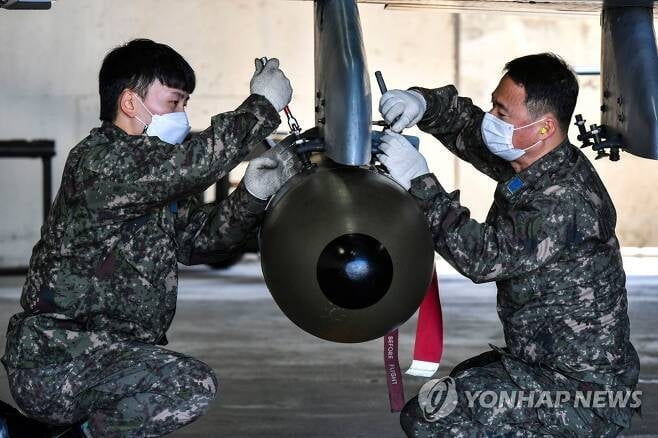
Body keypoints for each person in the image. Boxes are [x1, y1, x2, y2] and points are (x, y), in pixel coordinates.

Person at [1, 38, 299, 437]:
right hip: (59, 358)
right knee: (188, 385)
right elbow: (197, 164)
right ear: (130, 103)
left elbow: (200, 240)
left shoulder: (153, 176)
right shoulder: (102, 161)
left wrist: (252, 194)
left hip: (105, 355)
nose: (182, 114)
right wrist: (261, 107)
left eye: (185, 104)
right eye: (173, 103)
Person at [376, 53, 639, 436]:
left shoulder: (564, 198)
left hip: (581, 396)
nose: (491, 120)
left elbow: (483, 257)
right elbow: (468, 126)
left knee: (432, 417)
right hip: (540, 367)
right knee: (467, 380)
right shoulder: (533, 159)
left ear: (544, 127)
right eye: (494, 106)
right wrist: (421, 103)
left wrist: (420, 183)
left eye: (502, 113)